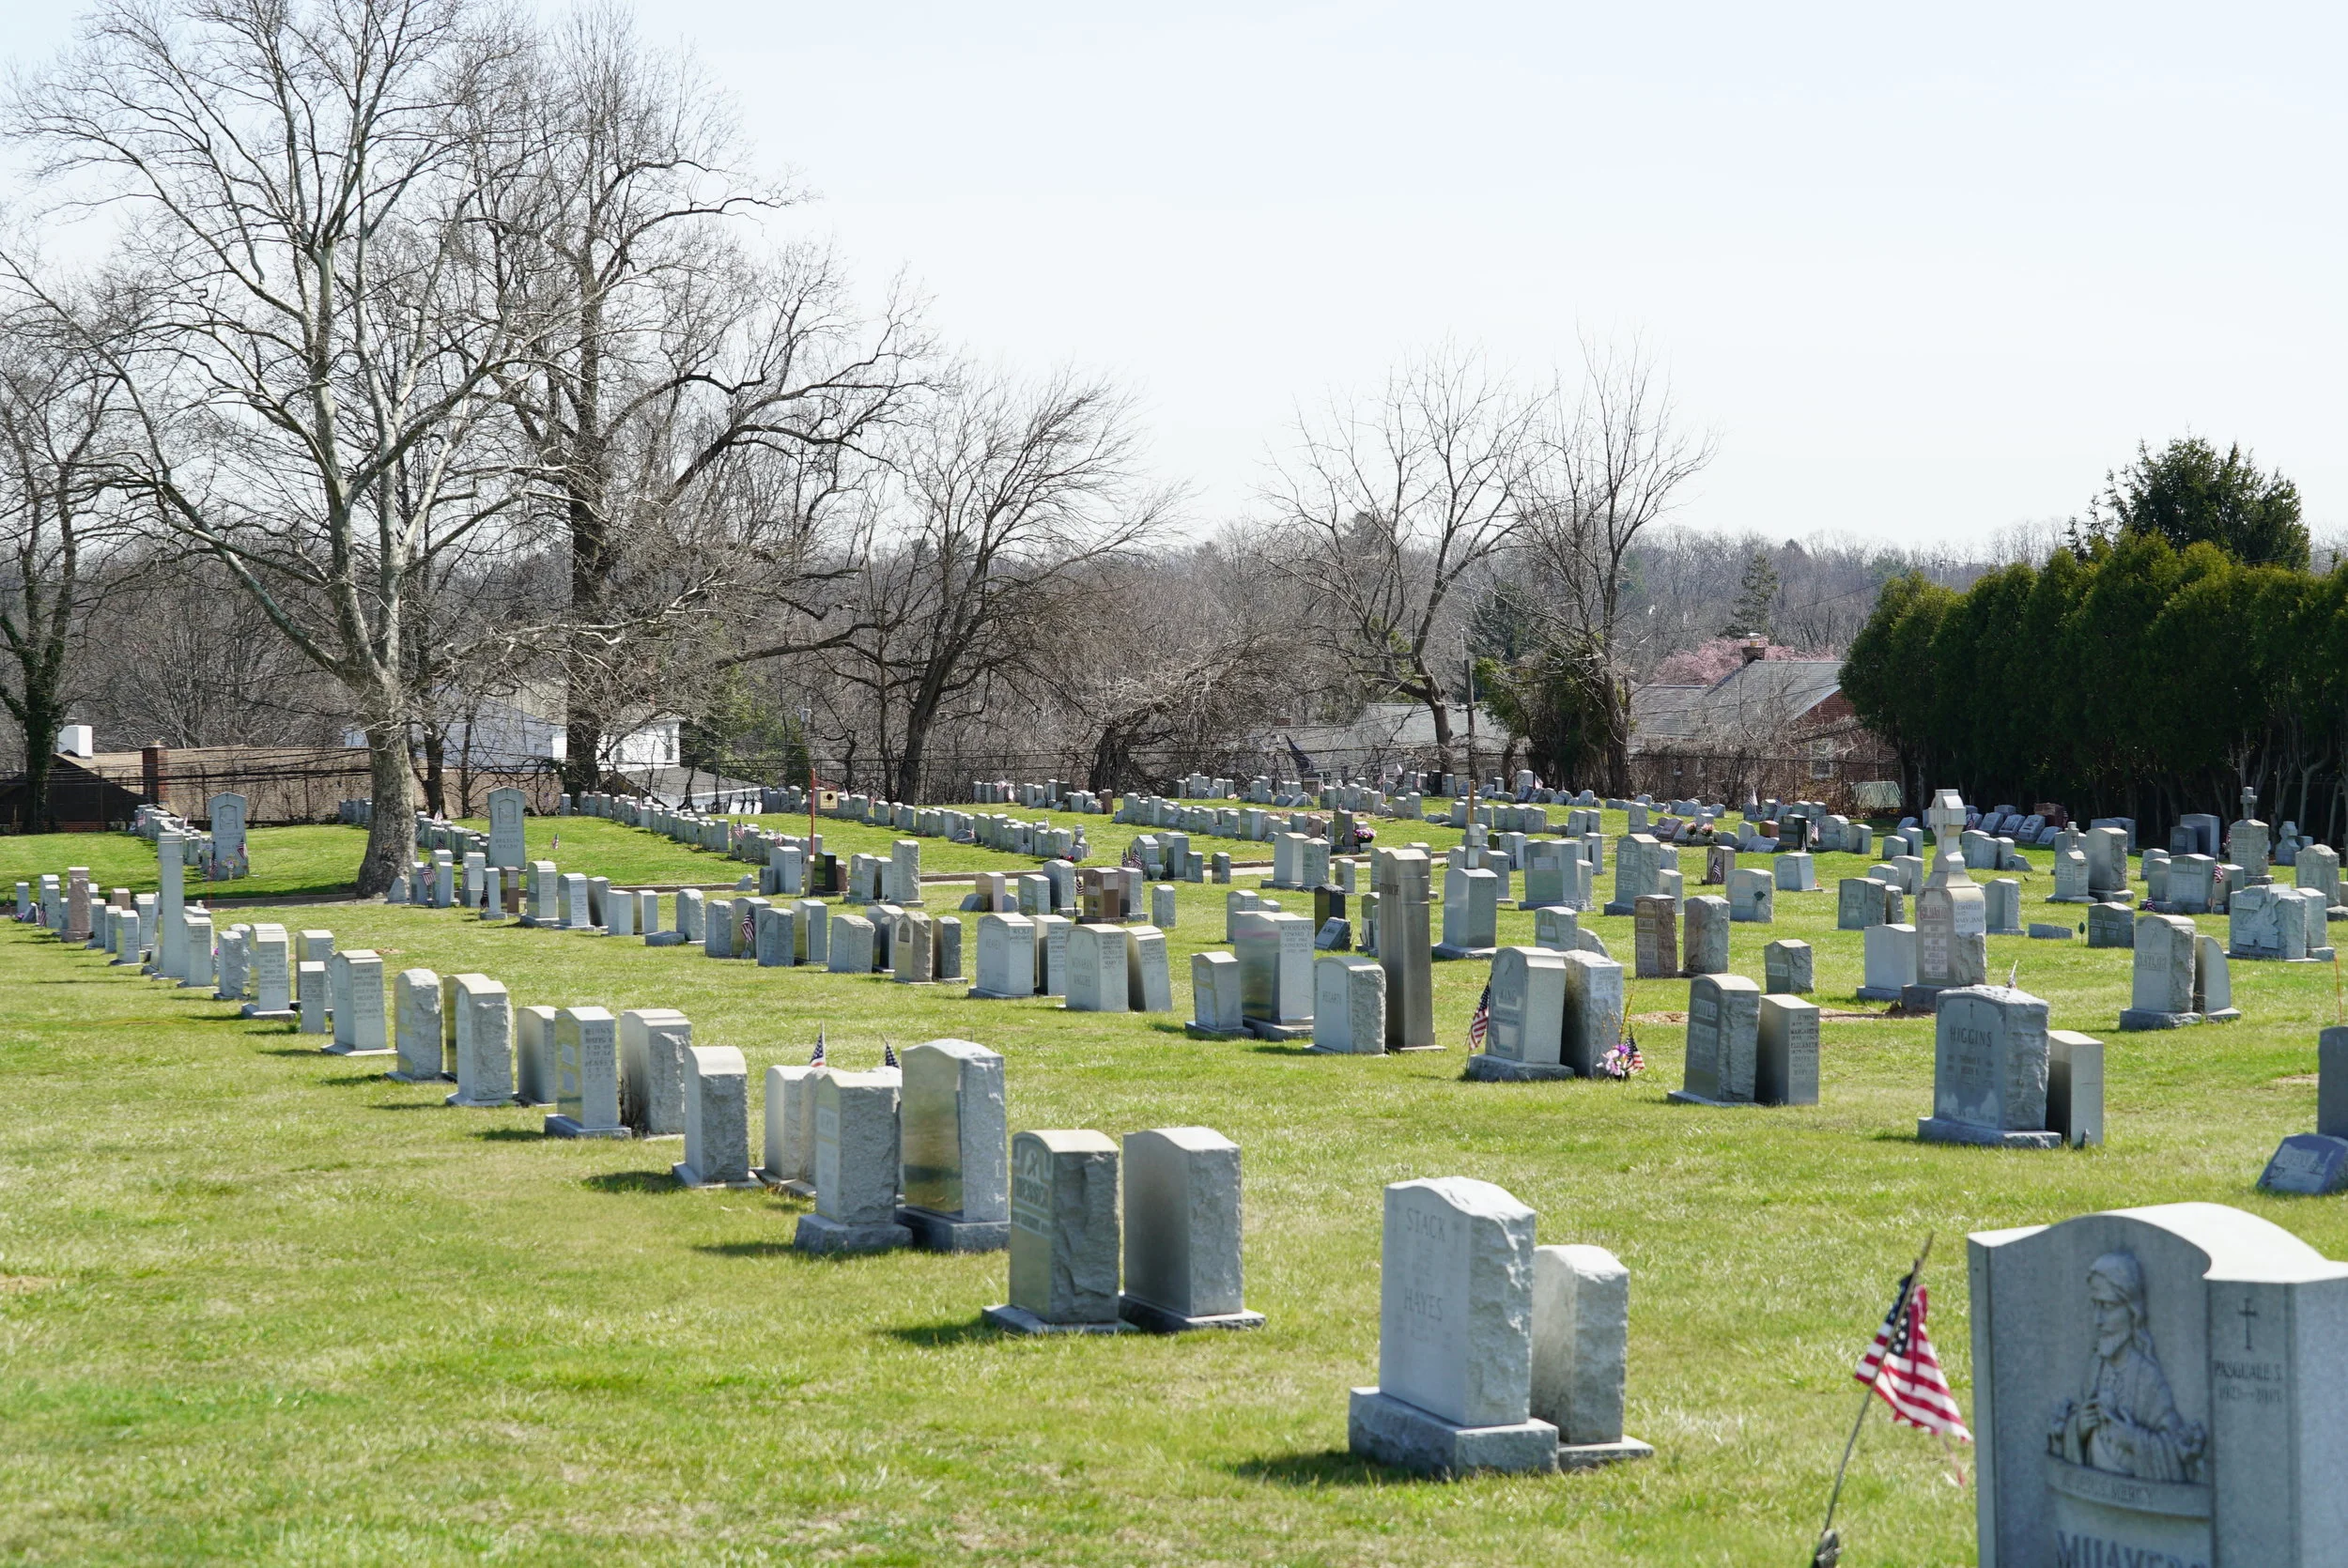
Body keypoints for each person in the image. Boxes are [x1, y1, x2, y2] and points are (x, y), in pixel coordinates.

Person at [2047, 1252, 2207, 1483]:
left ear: (2132, 1311)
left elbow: (2176, 1450)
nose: (2098, 1320)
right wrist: (2078, 1428)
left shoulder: (2147, 1377)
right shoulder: (2096, 1368)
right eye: (2095, 1306)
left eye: (2108, 1306)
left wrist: (2133, 1440)